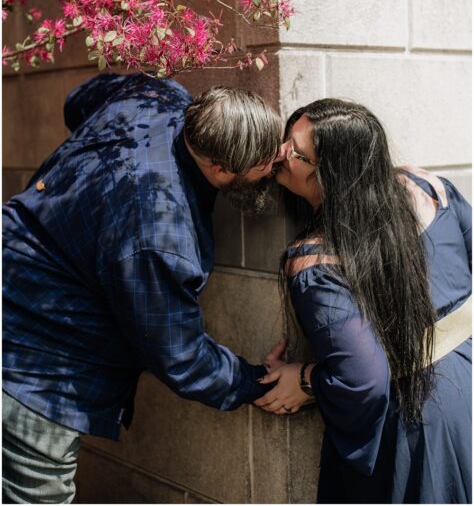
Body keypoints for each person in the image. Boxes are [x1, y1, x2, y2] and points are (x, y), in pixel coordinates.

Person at [2, 74, 282, 505]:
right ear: (220, 169)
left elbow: (78, 101)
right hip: (38, 370)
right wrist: (256, 382)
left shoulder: (155, 94)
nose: (276, 167)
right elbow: (180, 355)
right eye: (265, 167)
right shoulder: (158, 231)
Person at [255, 98, 472, 504]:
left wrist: (307, 380)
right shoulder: (429, 189)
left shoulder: (313, 261)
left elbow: (362, 380)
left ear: (330, 176)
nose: (280, 152)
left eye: (295, 152)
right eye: (287, 137)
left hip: (420, 427)